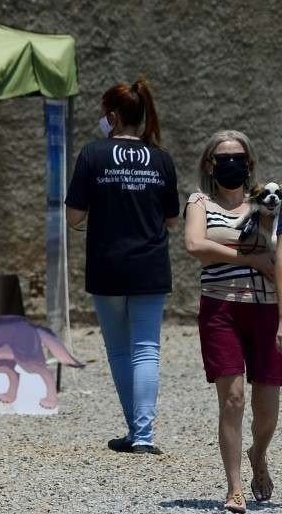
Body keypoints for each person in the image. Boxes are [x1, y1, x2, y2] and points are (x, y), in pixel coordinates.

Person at [65, 79, 178, 455]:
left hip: (107, 263)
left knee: (118, 349)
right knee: (147, 348)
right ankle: (143, 435)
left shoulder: (93, 153)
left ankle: (136, 430)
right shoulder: (161, 158)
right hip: (150, 265)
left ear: (112, 116)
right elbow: (171, 220)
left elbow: (74, 216)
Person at [184, 130, 280, 513]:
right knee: (233, 399)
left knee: (268, 409)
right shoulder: (200, 202)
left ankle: (259, 453)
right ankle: (235, 487)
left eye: (237, 158)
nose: (230, 165)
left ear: (249, 162)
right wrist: (251, 259)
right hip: (220, 309)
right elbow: (195, 244)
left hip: (266, 309)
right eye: (222, 159)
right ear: (209, 164)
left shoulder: (268, 202)